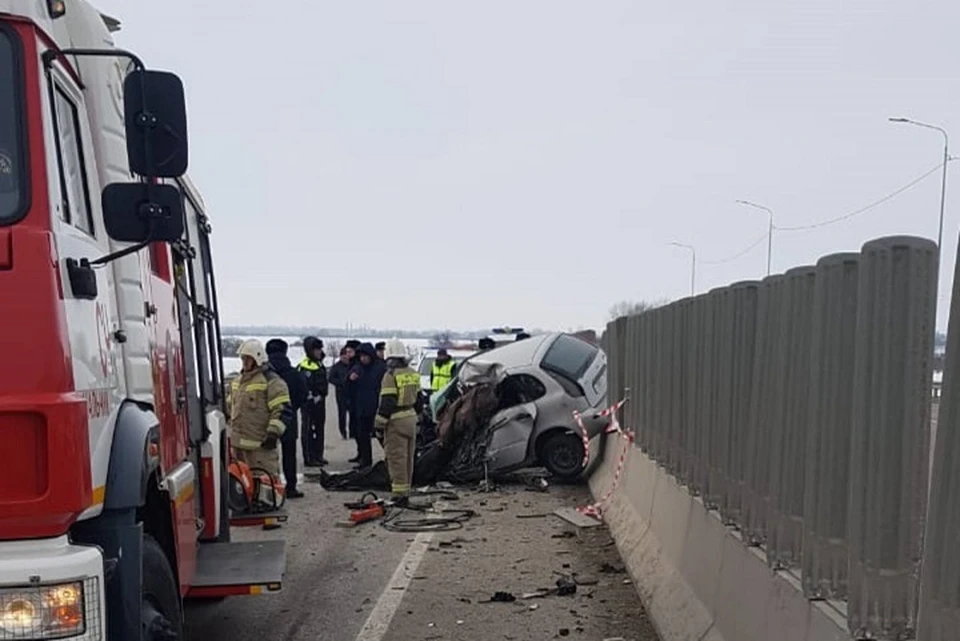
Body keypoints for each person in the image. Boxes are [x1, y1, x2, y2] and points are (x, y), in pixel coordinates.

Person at [227, 339, 292, 477]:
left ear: (258, 359)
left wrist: (273, 434)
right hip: (237, 447)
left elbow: (282, 410)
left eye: (248, 359)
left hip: (261, 449)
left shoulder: (271, 381)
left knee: (265, 486)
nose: (244, 362)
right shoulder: (237, 382)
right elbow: (229, 407)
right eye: (243, 358)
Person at [375, 339, 420, 501]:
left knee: (396, 458)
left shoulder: (390, 375)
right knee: (409, 458)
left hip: (396, 421)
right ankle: (406, 490)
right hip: (411, 418)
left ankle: (399, 495)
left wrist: (379, 424)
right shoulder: (413, 373)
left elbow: (388, 401)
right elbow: (420, 400)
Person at [266, 339, 308, 498]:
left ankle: (269, 487)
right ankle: (291, 487)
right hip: (289, 418)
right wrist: (293, 407)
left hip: (266, 419)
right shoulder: (293, 373)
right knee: (289, 453)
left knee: (267, 454)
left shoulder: (264, 374)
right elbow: (303, 394)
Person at [347, 342, 387, 468]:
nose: (363, 359)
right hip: (362, 408)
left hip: (377, 407)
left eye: (365, 356)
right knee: (362, 436)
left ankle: (390, 457)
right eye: (361, 356)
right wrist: (350, 380)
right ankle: (365, 460)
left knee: (383, 436)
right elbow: (348, 387)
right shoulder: (358, 367)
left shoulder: (380, 367)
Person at [297, 336, 329, 467]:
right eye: (316, 349)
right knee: (308, 431)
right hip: (309, 404)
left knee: (320, 430)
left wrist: (322, 394)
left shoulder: (319, 365)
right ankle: (309, 457)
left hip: (320, 403)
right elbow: (303, 385)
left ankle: (318, 455)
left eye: (320, 349)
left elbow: (323, 384)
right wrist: (310, 396)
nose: (319, 352)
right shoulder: (304, 366)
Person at [328, 346, 354, 439]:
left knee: (353, 413)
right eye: (343, 357)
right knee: (342, 414)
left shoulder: (352, 365)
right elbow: (331, 378)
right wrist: (340, 383)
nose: (345, 359)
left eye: (346, 357)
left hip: (351, 392)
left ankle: (352, 432)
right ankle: (343, 431)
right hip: (340, 393)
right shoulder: (336, 367)